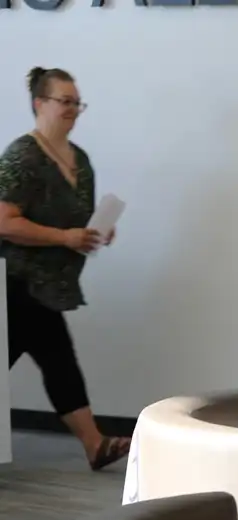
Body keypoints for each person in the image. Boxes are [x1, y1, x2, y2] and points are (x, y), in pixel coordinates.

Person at [0, 67, 128, 470]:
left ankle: (94, 444)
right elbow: (4, 221)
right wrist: (66, 238)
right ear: (40, 103)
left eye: (77, 102)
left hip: (49, 287)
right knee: (57, 360)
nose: (73, 109)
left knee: (58, 362)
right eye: (65, 101)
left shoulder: (80, 160)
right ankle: (94, 444)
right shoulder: (23, 156)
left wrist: (95, 233)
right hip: (15, 282)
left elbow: (76, 221)